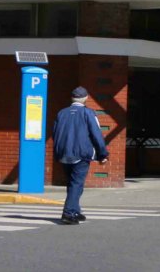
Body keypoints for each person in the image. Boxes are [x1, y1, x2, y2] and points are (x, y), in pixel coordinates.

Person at [51, 86, 108, 225]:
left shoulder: (61, 113)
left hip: (64, 153)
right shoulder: (88, 113)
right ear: (86, 98)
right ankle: (69, 213)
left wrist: (58, 152)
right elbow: (96, 135)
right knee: (77, 183)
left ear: (72, 98)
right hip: (81, 153)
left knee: (72, 183)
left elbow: (55, 133)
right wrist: (102, 154)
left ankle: (75, 210)